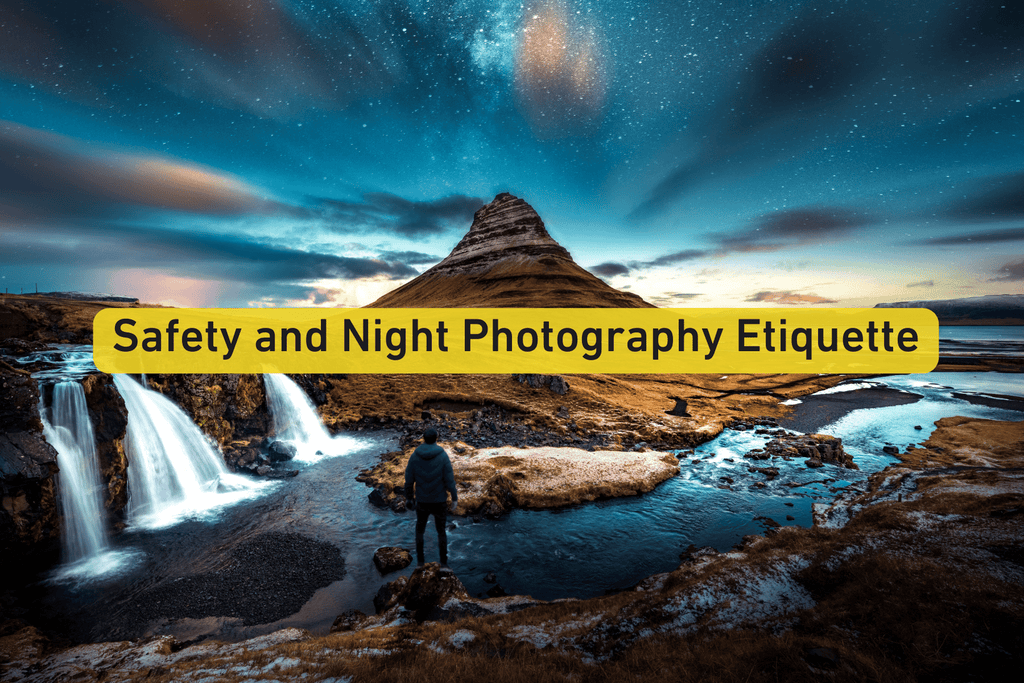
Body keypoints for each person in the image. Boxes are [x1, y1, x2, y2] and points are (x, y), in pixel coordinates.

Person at [404, 427, 458, 566]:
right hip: (439, 501)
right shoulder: (442, 455)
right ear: (436, 438)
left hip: (422, 501)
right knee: (441, 532)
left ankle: (420, 563)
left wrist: (409, 498)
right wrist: (454, 497)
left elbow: (409, 480)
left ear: (424, 438)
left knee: (419, 531)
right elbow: (449, 479)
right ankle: (444, 564)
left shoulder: (415, 456)